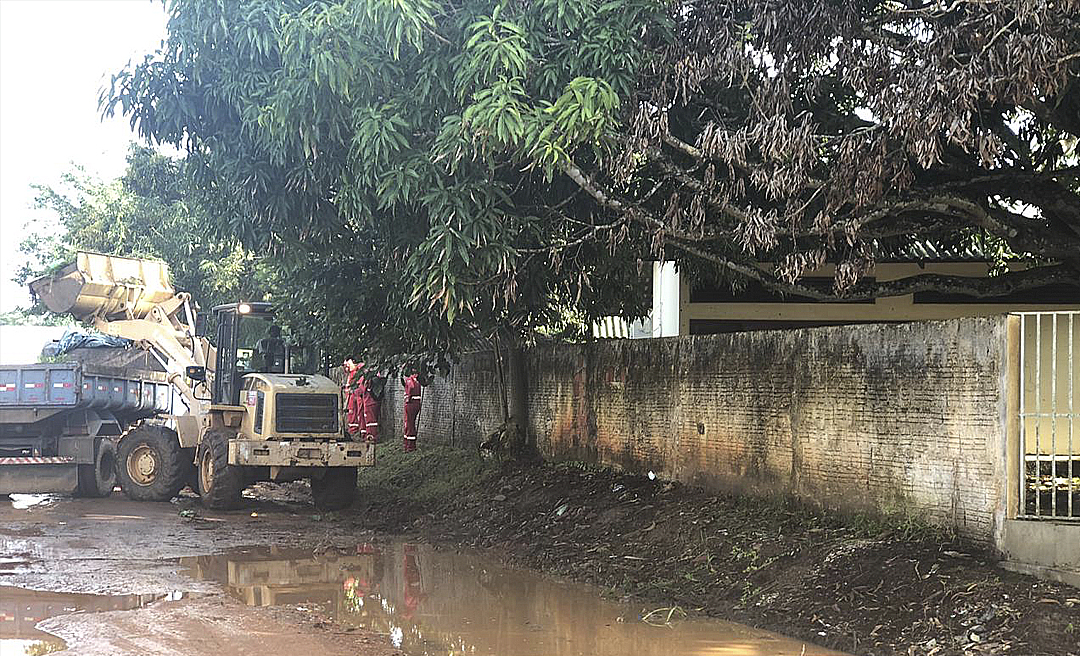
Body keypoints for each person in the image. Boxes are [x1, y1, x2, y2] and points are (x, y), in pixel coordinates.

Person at [401, 370, 424, 452]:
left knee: (409, 424)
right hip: (416, 404)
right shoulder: (418, 380)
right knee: (411, 424)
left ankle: (410, 446)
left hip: (410, 404)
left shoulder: (410, 380)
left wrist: (408, 398)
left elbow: (411, 387)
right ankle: (408, 444)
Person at [343, 357, 364, 438]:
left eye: (347, 364)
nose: (346, 367)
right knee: (351, 413)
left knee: (360, 412)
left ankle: (360, 431)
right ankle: (353, 430)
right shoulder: (350, 374)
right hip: (351, 396)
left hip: (358, 395)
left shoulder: (359, 371)